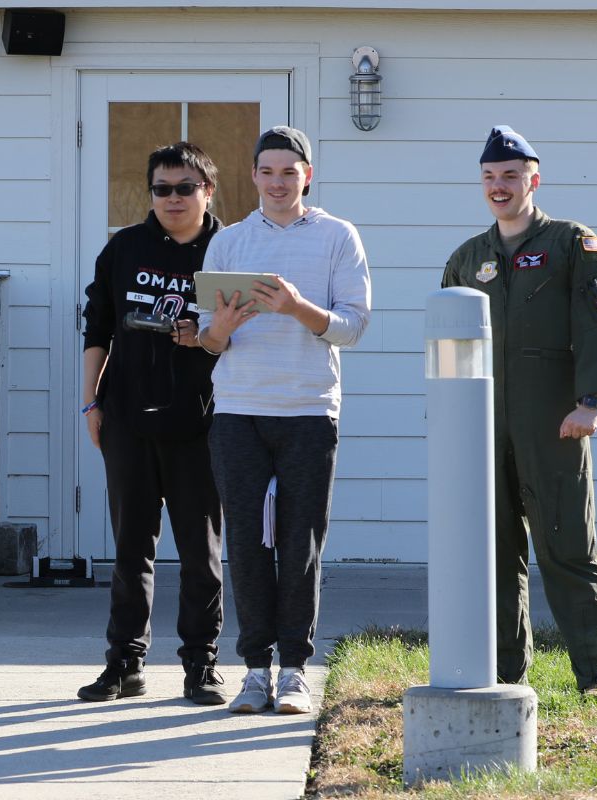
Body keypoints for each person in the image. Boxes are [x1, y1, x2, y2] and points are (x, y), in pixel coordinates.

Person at [441, 126, 597, 694]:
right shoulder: (467, 259)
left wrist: (590, 402)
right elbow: (446, 341)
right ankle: (502, 672)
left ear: (533, 180)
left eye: (511, 176)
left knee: (567, 546)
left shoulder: (572, 243)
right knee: (491, 553)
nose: (500, 186)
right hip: (482, 429)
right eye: (491, 177)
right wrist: (448, 422)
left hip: (555, 425)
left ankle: (596, 673)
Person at [196, 126, 371, 714]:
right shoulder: (229, 242)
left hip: (307, 409)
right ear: (253, 176)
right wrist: (221, 330)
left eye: (289, 173)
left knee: (300, 543)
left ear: (307, 177)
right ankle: (253, 671)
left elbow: (351, 327)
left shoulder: (338, 236)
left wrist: (296, 307)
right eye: (267, 172)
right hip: (238, 411)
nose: (277, 183)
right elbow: (209, 341)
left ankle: (295, 669)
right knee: (245, 545)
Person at [78, 141, 227, 706]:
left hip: (202, 423)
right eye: (161, 188)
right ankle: (124, 664)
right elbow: (99, 328)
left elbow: (252, 334)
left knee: (200, 551)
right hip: (128, 419)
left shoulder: (228, 248)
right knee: (129, 547)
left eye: (184, 188)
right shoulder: (125, 248)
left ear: (207, 191)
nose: (172, 198)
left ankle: (201, 666)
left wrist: (207, 336)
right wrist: (92, 404)